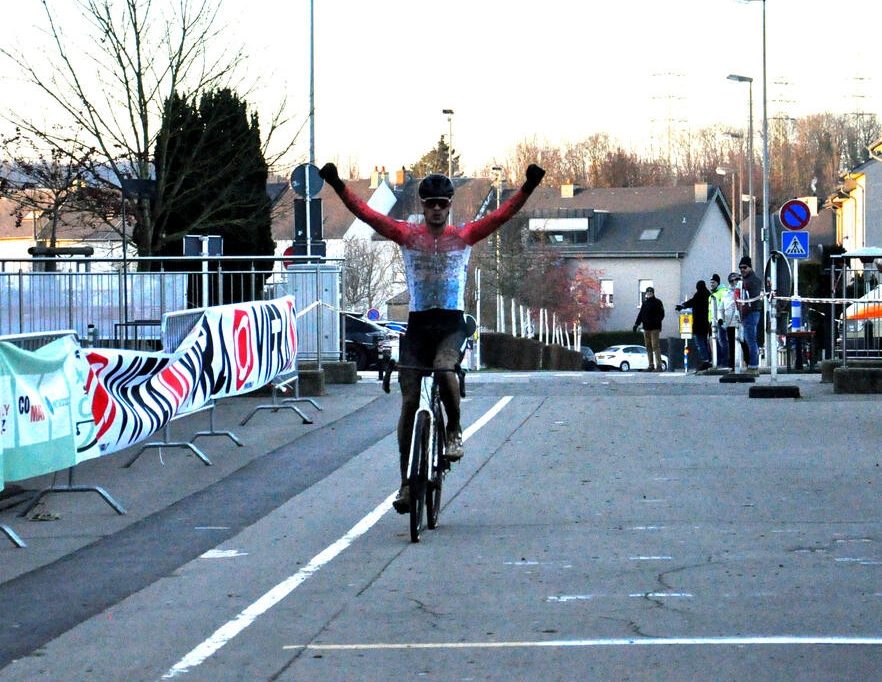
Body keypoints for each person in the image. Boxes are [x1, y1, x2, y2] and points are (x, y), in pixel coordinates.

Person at [318, 161, 546, 513]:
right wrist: (337, 185)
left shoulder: (464, 236)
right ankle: (407, 485)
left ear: (450, 205)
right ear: (422, 206)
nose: (437, 209)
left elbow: (502, 215)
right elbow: (365, 213)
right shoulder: (408, 236)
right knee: (409, 404)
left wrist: (528, 187)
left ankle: (454, 429)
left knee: (444, 369)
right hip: (419, 325)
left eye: (443, 203)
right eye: (430, 204)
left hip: (452, 324)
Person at [676, 280, 712, 371]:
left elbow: (692, 302)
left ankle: (705, 361)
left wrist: (682, 306)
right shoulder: (708, 295)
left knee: (700, 344)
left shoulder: (699, 295)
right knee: (704, 342)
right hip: (706, 323)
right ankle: (709, 360)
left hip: (698, 324)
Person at [737, 255, 763, 375]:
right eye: (740, 268)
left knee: (751, 340)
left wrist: (744, 312)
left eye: (744, 267)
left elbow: (751, 300)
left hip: (750, 314)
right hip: (750, 313)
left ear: (750, 267)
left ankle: (753, 366)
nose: (742, 270)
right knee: (749, 340)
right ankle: (752, 365)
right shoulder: (749, 280)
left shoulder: (751, 281)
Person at [632, 286, 665, 371]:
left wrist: (656, 322)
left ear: (653, 293)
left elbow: (661, 314)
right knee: (648, 346)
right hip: (646, 328)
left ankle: (659, 366)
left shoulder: (658, 302)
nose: (649, 294)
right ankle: (651, 365)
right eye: (648, 293)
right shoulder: (645, 303)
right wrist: (636, 324)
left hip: (655, 328)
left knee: (655, 346)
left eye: (650, 293)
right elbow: (641, 314)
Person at [708, 274, 728, 368]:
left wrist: (720, 319)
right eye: (711, 282)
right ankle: (718, 361)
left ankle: (724, 361)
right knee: (715, 341)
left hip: (720, 321)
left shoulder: (722, 292)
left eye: (713, 282)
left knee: (721, 341)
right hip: (713, 322)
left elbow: (723, 306)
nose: (711, 284)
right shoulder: (713, 293)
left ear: (718, 282)